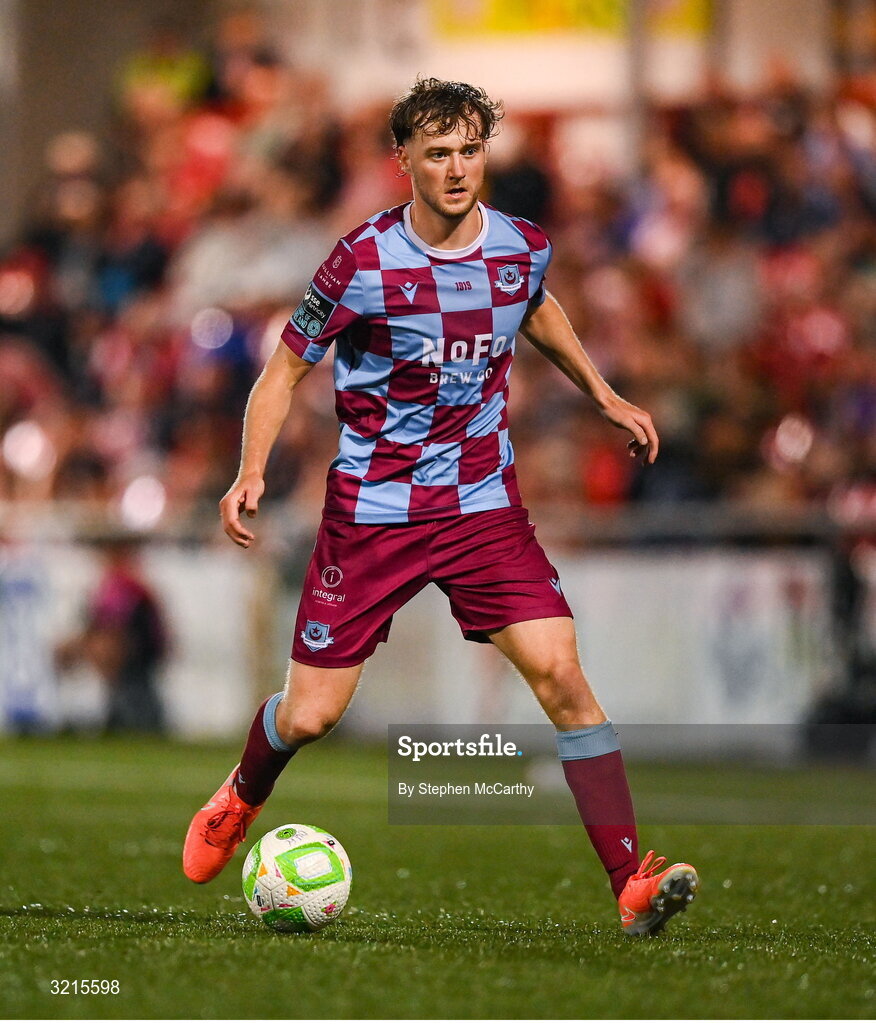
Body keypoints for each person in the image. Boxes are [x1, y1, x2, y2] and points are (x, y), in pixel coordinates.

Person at [182, 78, 699, 936]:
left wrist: (601, 392)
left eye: (469, 150)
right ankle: (242, 793)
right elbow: (283, 373)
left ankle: (630, 885)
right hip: (374, 513)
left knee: (564, 678)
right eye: (437, 154)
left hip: (482, 509)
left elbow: (535, 307)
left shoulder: (522, 246)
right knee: (311, 714)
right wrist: (250, 471)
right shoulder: (361, 262)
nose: (457, 169)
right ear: (405, 162)